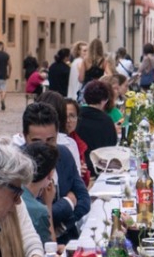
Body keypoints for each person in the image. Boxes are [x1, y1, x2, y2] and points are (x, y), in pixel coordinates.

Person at [18, 98, 92, 239]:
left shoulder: (63, 154)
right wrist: (69, 202)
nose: (44, 148)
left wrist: (62, 227)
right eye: (36, 141)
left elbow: (84, 200)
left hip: (67, 237)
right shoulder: (17, 165)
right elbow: (34, 212)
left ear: (58, 134)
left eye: (50, 140)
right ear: (25, 136)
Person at [21, 140, 61, 246]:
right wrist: (48, 205)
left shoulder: (8, 191)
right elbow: (49, 250)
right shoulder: (39, 210)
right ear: (50, 175)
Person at [75, 79, 118, 169]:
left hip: (80, 164)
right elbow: (112, 145)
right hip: (100, 165)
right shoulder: (106, 121)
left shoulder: (77, 116)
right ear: (105, 100)